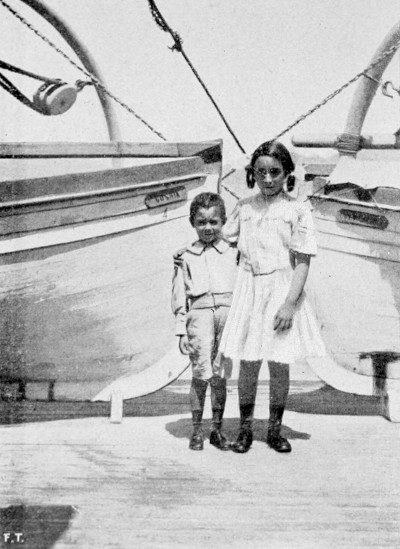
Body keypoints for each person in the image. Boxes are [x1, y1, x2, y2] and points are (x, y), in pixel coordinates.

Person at [217, 140, 326, 454]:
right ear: (252, 173)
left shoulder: (297, 210)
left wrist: (290, 304)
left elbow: (302, 261)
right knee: (248, 362)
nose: (267, 179)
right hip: (250, 289)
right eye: (260, 172)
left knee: (279, 362)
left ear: (287, 173)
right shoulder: (244, 207)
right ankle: (245, 430)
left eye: (275, 172)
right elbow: (223, 238)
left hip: (282, 290)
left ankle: (275, 431)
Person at [171, 192, 238, 451]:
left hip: (227, 316)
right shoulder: (185, 256)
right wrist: (181, 331)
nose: (208, 228)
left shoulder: (234, 252)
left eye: (214, 222)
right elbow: (179, 296)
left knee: (220, 376)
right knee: (200, 374)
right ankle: (197, 430)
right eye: (201, 222)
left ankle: (216, 430)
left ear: (223, 222)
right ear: (193, 223)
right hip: (199, 318)